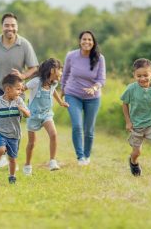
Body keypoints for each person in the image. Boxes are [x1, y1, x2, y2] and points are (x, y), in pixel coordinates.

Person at [0, 12, 38, 167]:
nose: (9, 28)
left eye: (13, 25)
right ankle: (1, 153)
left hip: (17, 90)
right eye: (6, 25)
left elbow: (34, 68)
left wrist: (23, 76)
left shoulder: (24, 44)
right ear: (2, 27)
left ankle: (12, 156)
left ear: (17, 27)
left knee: (13, 122)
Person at [60, 30, 106, 166]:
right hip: (72, 95)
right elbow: (65, 74)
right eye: (84, 39)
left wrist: (94, 88)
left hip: (93, 98)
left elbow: (101, 79)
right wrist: (62, 91)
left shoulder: (99, 58)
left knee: (89, 129)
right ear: (80, 41)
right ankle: (80, 157)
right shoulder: (71, 56)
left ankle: (87, 155)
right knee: (77, 125)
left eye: (89, 40)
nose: (87, 42)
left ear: (93, 42)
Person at [0, 74, 30, 184]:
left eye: (21, 89)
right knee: (1, 150)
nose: (20, 92)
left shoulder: (19, 101)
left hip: (14, 134)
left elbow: (28, 115)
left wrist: (23, 109)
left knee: (12, 159)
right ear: (8, 89)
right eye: (18, 89)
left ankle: (12, 176)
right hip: (0, 132)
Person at [23, 58, 69, 175]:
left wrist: (60, 102)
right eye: (60, 70)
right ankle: (27, 165)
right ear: (53, 70)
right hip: (33, 115)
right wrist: (18, 103)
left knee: (53, 134)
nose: (61, 73)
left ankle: (52, 161)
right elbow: (21, 89)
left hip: (46, 113)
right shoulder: (36, 82)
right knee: (32, 143)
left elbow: (53, 91)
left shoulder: (53, 83)